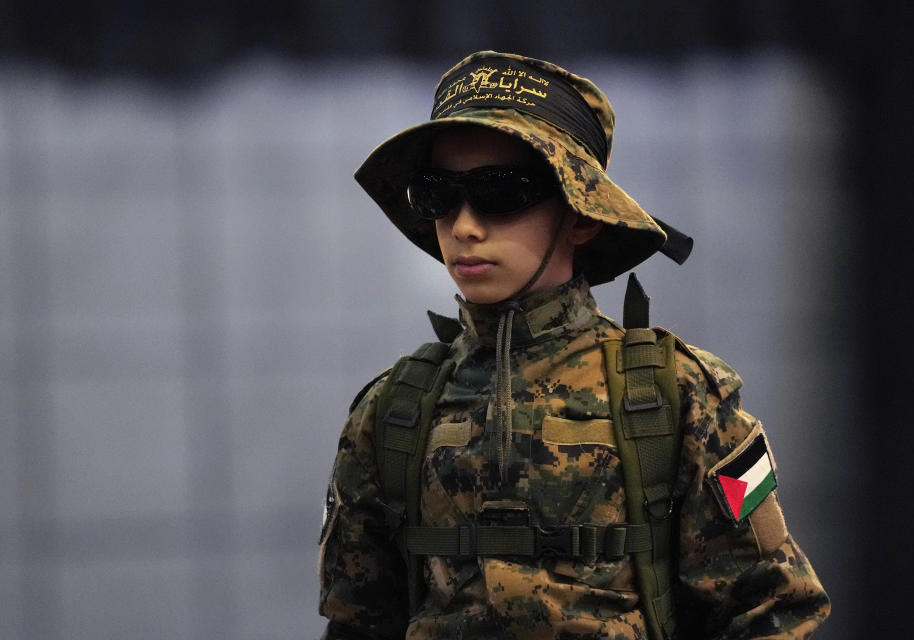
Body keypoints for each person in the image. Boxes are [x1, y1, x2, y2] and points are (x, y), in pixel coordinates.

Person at [318, 50, 830, 639]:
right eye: (437, 194)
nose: (463, 226)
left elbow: (775, 608)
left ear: (580, 214)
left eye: (501, 191)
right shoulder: (392, 411)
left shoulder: (676, 395)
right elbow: (356, 623)